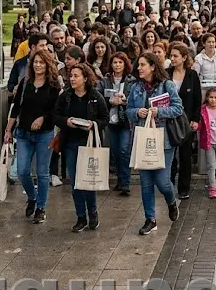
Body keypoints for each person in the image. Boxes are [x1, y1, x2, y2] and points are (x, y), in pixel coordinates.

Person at [126, 53, 183, 235]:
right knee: (145, 182)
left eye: (143, 65)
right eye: (138, 65)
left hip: (164, 139)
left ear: (152, 67)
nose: (139, 68)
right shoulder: (135, 87)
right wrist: (137, 112)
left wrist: (159, 111)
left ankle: (171, 201)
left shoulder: (167, 85)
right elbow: (127, 111)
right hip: (143, 139)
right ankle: (150, 219)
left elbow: (178, 108)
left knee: (163, 181)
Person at [3, 48, 61, 225]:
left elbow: (55, 111)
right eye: (35, 62)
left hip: (44, 134)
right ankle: (32, 197)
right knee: (22, 171)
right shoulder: (25, 83)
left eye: (41, 62)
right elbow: (16, 107)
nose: (37, 65)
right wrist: (8, 130)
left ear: (47, 64)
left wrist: (43, 118)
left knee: (42, 173)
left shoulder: (53, 86)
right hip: (23, 133)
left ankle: (41, 208)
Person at [54, 64, 109, 232]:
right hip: (70, 142)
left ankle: (92, 213)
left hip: (88, 143)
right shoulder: (66, 96)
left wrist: (94, 124)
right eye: (71, 76)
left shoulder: (95, 96)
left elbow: (104, 118)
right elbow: (56, 115)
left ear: (85, 78)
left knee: (88, 181)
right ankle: (80, 217)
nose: (72, 79)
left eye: (76, 76)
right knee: (75, 181)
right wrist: (66, 122)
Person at [98, 52, 136, 196]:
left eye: (120, 62)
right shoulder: (105, 80)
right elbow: (98, 95)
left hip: (126, 121)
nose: (117, 65)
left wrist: (125, 101)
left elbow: (135, 97)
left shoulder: (131, 80)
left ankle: (125, 183)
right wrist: (110, 102)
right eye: (115, 62)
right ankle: (120, 181)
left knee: (123, 150)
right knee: (114, 152)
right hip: (111, 121)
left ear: (125, 64)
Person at [168, 42, 202, 199]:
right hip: (168, 120)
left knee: (185, 155)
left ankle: (184, 188)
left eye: (176, 56)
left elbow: (197, 99)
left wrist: (195, 119)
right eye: (171, 56)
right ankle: (168, 184)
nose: (172, 59)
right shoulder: (166, 74)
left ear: (184, 57)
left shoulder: (192, 75)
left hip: (186, 121)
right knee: (170, 155)